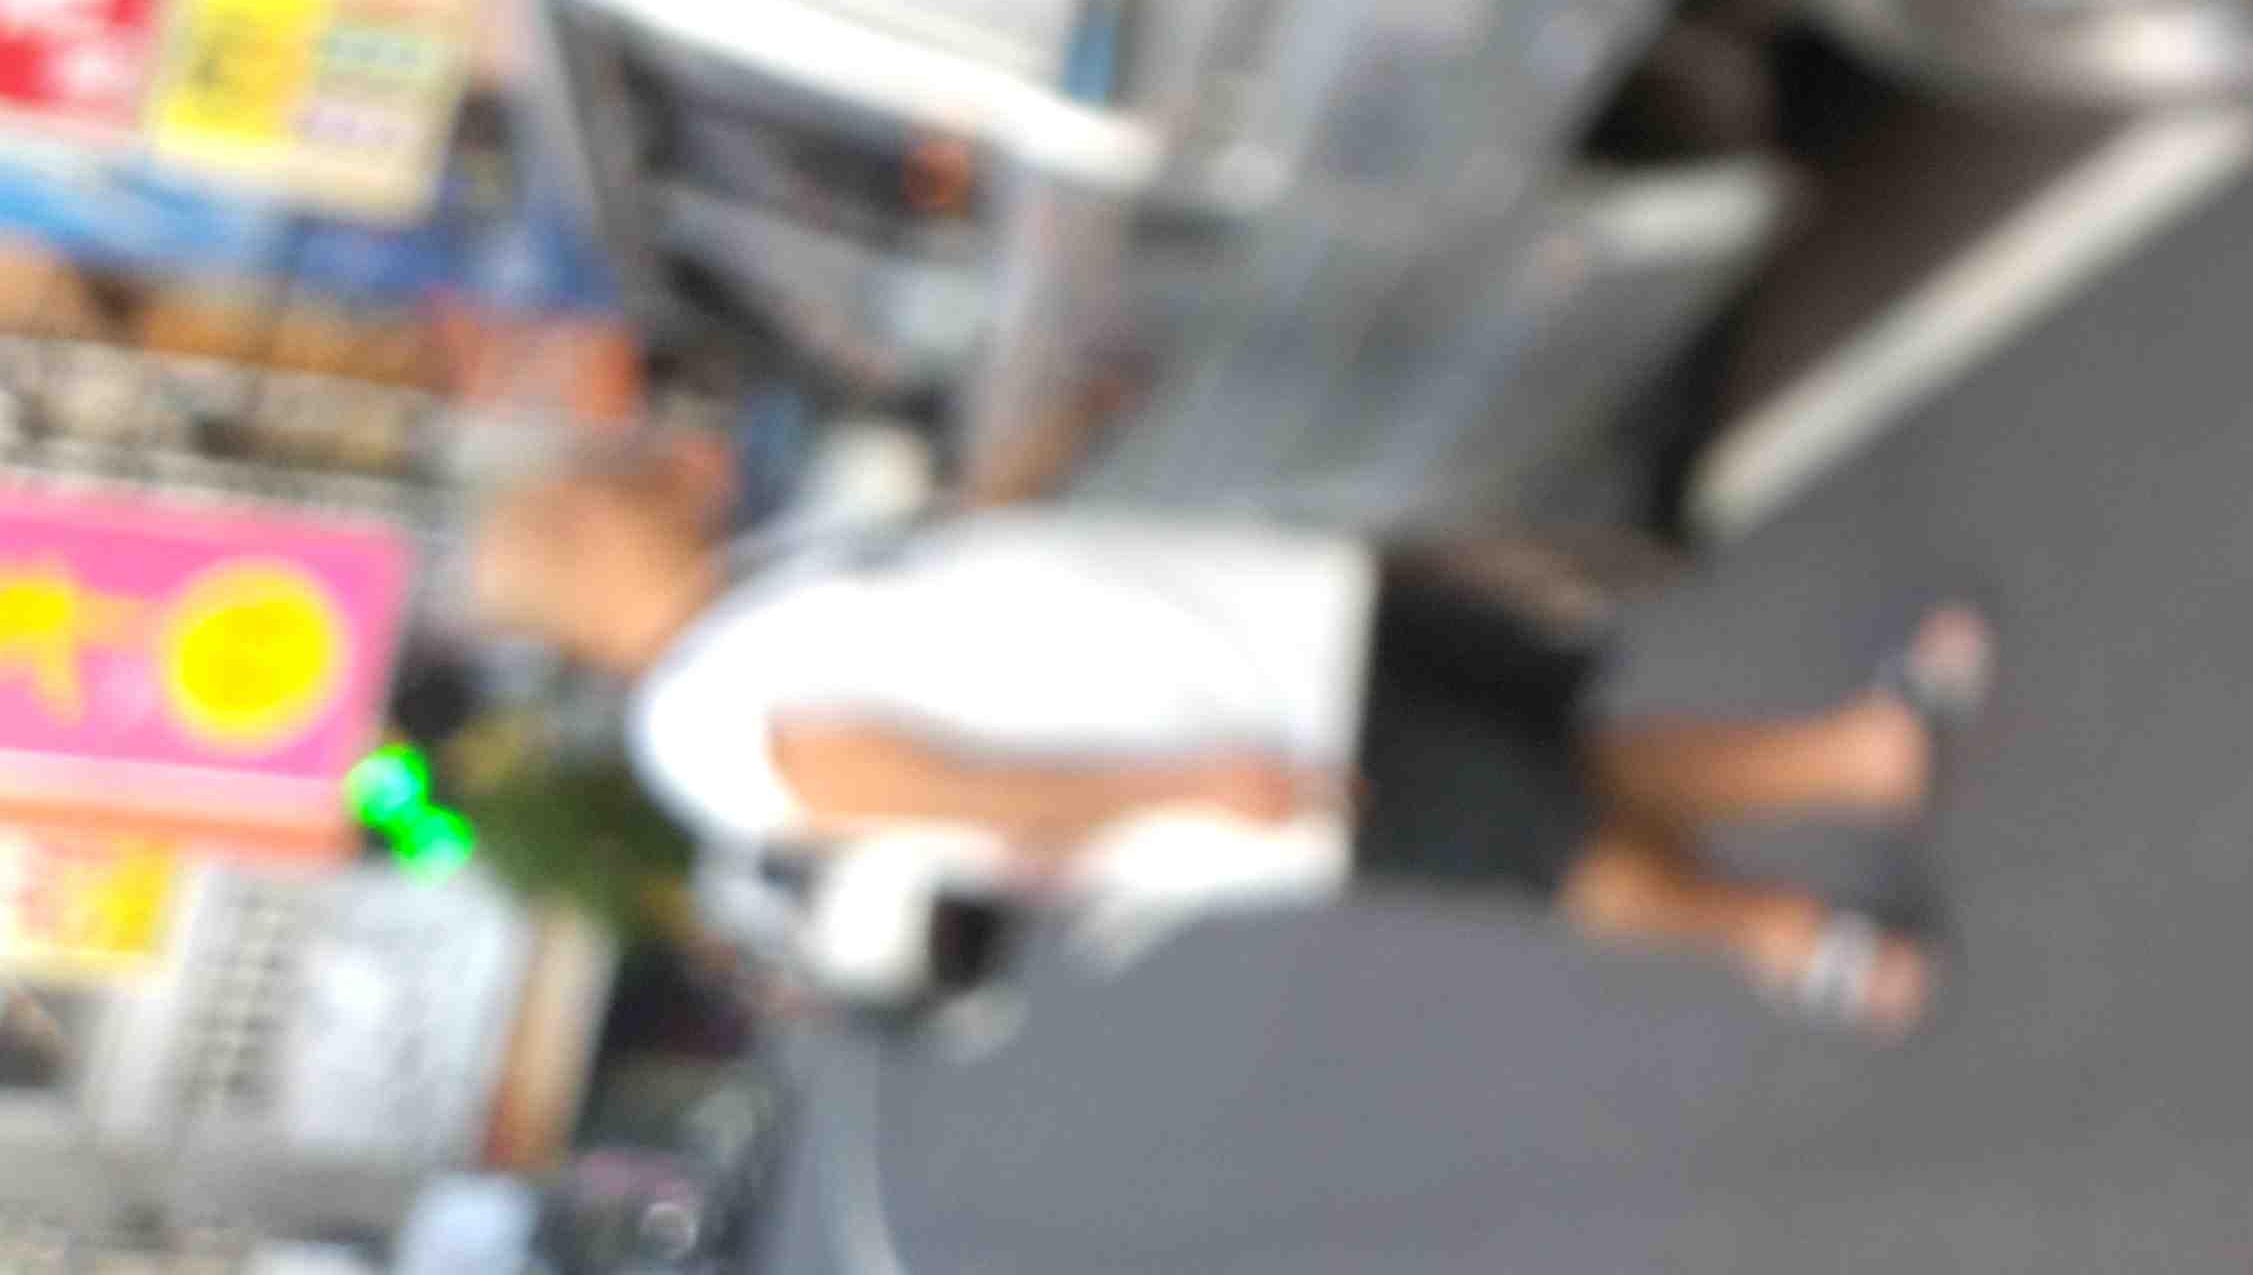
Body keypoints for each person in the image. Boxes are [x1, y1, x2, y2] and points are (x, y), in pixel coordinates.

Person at [464, 441, 1983, 1037]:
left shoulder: (753, 580)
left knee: (1561, 762)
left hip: (1266, 636)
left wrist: (1046, 447)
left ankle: (1848, 759)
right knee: (1544, 836)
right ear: (582, 566)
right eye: (604, 494)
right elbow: (934, 793)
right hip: (1234, 742)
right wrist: (1185, 786)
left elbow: (959, 575)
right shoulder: (698, 722)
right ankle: (1787, 938)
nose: (639, 482)